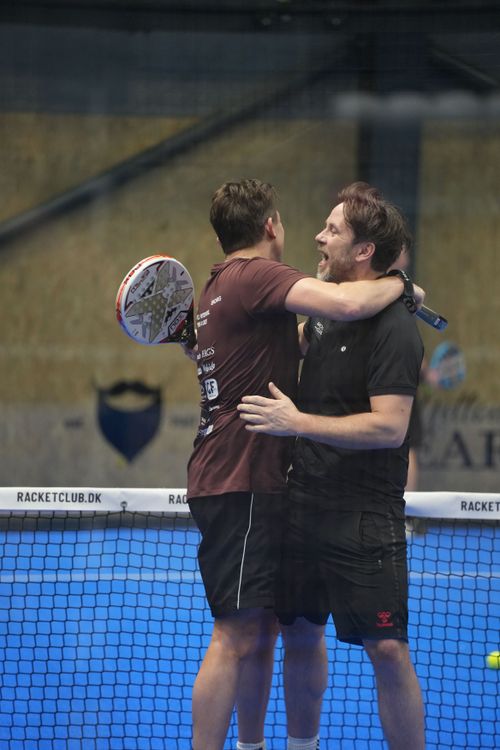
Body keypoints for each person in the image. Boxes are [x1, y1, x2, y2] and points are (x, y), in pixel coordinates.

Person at [186, 178, 425, 750]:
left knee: (351, 644)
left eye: (334, 229)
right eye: (313, 224)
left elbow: (391, 426)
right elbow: (342, 304)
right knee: (261, 634)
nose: (317, 236)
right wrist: (402, 283)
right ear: (270, 226)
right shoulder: (291, 295)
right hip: (269, 491)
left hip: (345, 508)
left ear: (362, 249)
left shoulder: (389, 327)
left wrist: (299, 423)